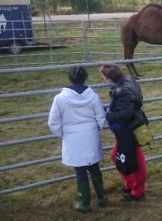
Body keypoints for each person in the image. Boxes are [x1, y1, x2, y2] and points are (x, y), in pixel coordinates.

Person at [48, 66, 106, 213]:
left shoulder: (60, 98)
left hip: (72, 137)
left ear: (70, 78)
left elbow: (53, 122)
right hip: (90, 135)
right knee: (94, 167)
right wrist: (98, 128)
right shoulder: (92, 96)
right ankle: (101, 198)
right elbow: (100, 115)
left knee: (80, 171)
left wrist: (63, 134)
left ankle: (85, 203)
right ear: (85, 78)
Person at [99, 62, 147, 202]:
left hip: (128, 129)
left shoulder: (122, 90)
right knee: (116, 156)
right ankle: (131, 183)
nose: (103, 78)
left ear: (108, 78)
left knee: (135, 160)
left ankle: (138, 191)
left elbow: (125, 114)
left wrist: (106, 115)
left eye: (103, 76)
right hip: (129, 127)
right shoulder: (128, 80)